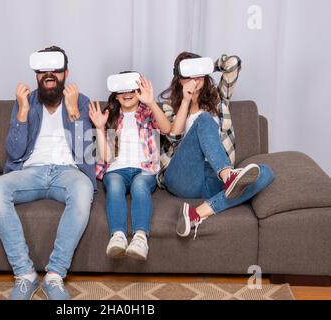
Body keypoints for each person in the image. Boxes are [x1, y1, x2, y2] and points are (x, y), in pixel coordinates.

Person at [0, 46, 96, 300]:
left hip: (68, 173)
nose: (49, 74)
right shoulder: (26, 101)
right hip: (31, 172)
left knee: (83, 189)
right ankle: (25, 274)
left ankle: (54, 276)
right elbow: (14, 153)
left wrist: (74, 113)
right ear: (36, 74)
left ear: (65, 73)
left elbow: (86, 155)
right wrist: (22, 112)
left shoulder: (81, 101)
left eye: (55, 69)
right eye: (43, 70)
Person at [158, 52, 275, 239]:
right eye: (189, 72)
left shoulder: (218, 99)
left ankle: (196, 214)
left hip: (212, 177)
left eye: (199, 72)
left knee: (266, 172)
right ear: (179, 77)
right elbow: (173, 138)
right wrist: (186, 100)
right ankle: (229, 176)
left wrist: (205, 65)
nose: (195, 78)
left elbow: (233, 64)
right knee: (204, 119)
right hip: (182, 176)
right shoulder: (169, 106)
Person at [89, 72, 171, 260]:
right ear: (116, 95)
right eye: (122, 90)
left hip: (145, 169)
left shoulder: (148, 112)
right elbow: (107, 157)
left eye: (132, 89)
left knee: (139, 186)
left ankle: (140, 238)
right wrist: (100, 128)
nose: (127, 93)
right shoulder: (111, 116)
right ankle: (117, 236)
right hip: (116, 169)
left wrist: (151, 102)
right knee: (115, 185)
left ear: (139, 90)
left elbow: (167, 129)